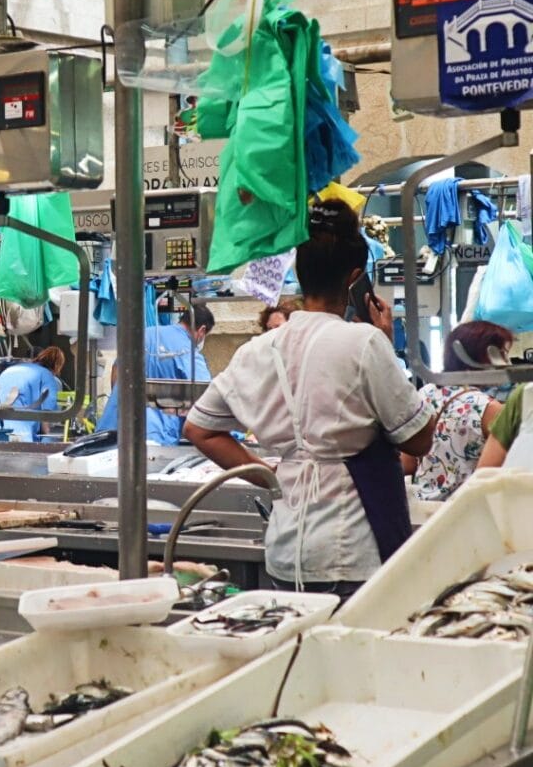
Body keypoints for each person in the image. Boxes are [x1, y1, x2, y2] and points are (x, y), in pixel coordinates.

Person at [184, 201, 435, 599]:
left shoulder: (257, 350)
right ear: (355, 279)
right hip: (354, 549)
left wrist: (271, 478)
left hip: (286, 549)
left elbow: (199, 429)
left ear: (300, 274)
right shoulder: (365, 342)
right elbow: (418, 440)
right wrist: (386, 344)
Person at [408, 321, 510, 500]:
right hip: (463, 514)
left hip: (421, 509)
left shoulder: (424, 393)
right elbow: (488, 481)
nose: (507, 364)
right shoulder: (489, 409)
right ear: (481, 356)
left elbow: (408, 462)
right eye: (502, 355)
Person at [96, 302, 214, 446]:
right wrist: (235, 434)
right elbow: (207, 399)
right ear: (202, 330)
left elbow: (117, 370)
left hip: (114, 429)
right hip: (153, 437)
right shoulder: (188, 352)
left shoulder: (145, 333)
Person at [0, 346, 66, 442]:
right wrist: (51, 437)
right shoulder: (47, 376)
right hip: (21, 433)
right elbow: (46, 415)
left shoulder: (10, 370)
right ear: (57, 366)